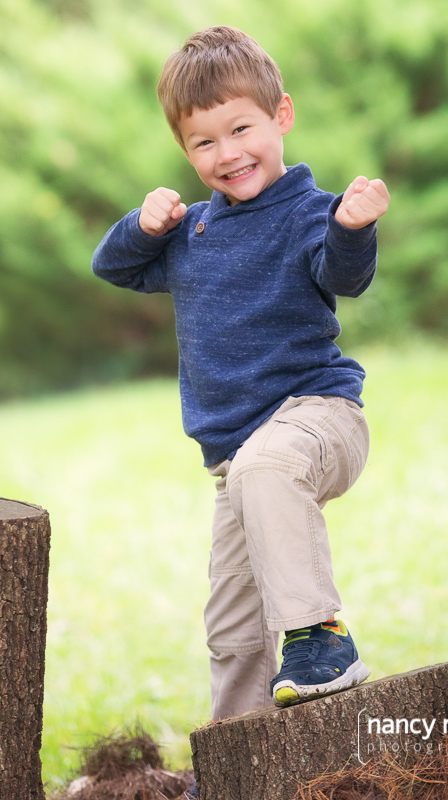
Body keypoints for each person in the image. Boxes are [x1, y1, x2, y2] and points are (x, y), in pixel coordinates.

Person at [92, 22, 389, 775]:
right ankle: (233, 763)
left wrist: (353, 227)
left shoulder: (308, 213)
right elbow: (114, 268)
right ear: (186, 152)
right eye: (203, 143)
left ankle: (320, 637)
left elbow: (342, 274)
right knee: (232, 629)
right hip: (239, 463)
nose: (226, 154)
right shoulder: (190, 232)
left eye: (241, 129)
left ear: (280, 116)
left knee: (263, 470)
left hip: (318, 421)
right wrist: (143, 224)